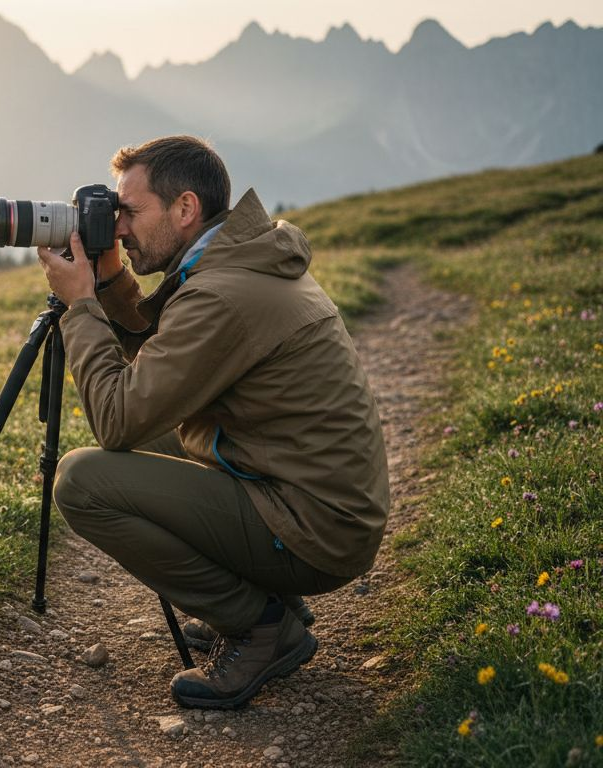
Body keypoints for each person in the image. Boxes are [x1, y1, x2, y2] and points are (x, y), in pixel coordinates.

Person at [36, 135, 388, 709]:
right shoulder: (237, 257)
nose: (119, 227)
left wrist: (80, 307)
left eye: (130, 212)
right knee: (155, 434)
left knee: (83, 483)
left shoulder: (222, 292)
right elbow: (169, 358)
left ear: (185, 209)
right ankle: (265, 595)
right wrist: (110, 283)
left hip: (315, 530)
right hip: (314, 496)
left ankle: (259, 625)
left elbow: (117, 419)